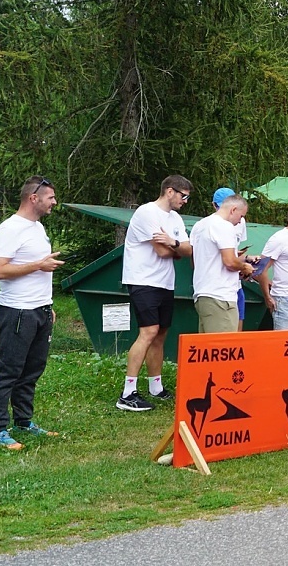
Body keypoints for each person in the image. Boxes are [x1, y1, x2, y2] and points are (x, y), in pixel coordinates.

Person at [0, 176, 64, 450]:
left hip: (40, 311)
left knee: (32, 371)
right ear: (34, 198)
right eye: (50, 197)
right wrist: (38, 265)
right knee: (8, 371)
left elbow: (37, 271)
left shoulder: (37, 228)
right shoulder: (10, 229)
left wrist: (47, 306)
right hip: (17, 311)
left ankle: (23, 421)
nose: (54, 202)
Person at [117, 174, 192, 413]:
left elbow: (188, 250)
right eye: (183, 196)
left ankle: (155, 387)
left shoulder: (175, 218)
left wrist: (174, 243)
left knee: (160, 334)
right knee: (148, 332)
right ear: (170, 191)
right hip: (143, 280)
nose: (185, 201)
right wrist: (175, 247)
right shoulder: (146, 213)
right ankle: (127, 393)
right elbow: (161, 251)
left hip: (165, 282)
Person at [191, 194, 253, 333]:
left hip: (203, 294)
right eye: (241, 216)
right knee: (223, 344)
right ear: (233, 209)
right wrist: (245, 267)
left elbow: (195, 260)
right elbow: (229, 261)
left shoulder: (200, 225)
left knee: (207, 345)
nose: (240, 222)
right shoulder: (224, 226)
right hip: (220, 297)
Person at [209, 188, 253, 331]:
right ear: (214, 206)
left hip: (235, 284)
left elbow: (233, 255)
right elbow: (227, 260)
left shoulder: (240, 221)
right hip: (218, 289)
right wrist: (243, 266)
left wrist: (245, 259)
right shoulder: (213, 224)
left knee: (237, 330)